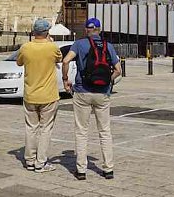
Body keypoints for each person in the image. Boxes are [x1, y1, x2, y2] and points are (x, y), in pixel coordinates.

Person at [62, 18, 121, 180]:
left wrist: (65, 80)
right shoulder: (108, 46)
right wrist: (108, 81)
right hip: (102, 94)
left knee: (82, 131)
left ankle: (81, 170)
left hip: (82, 91)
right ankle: (108, 169)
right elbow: (118, 70)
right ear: (99, 30)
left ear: (86, 30)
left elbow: (66, 61)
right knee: (105, 131)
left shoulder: (79, 44)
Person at [16, 18, 62, 173]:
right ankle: (40, 162)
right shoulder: (52, 47)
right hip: (48, 95)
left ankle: (29, 160)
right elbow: (59, 58)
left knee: (31, 128)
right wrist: (50, 42)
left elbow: (19, 62)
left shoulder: (26, 47)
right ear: (47, 32)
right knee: (45, 129)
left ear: (34, 32)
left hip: (30, 94)